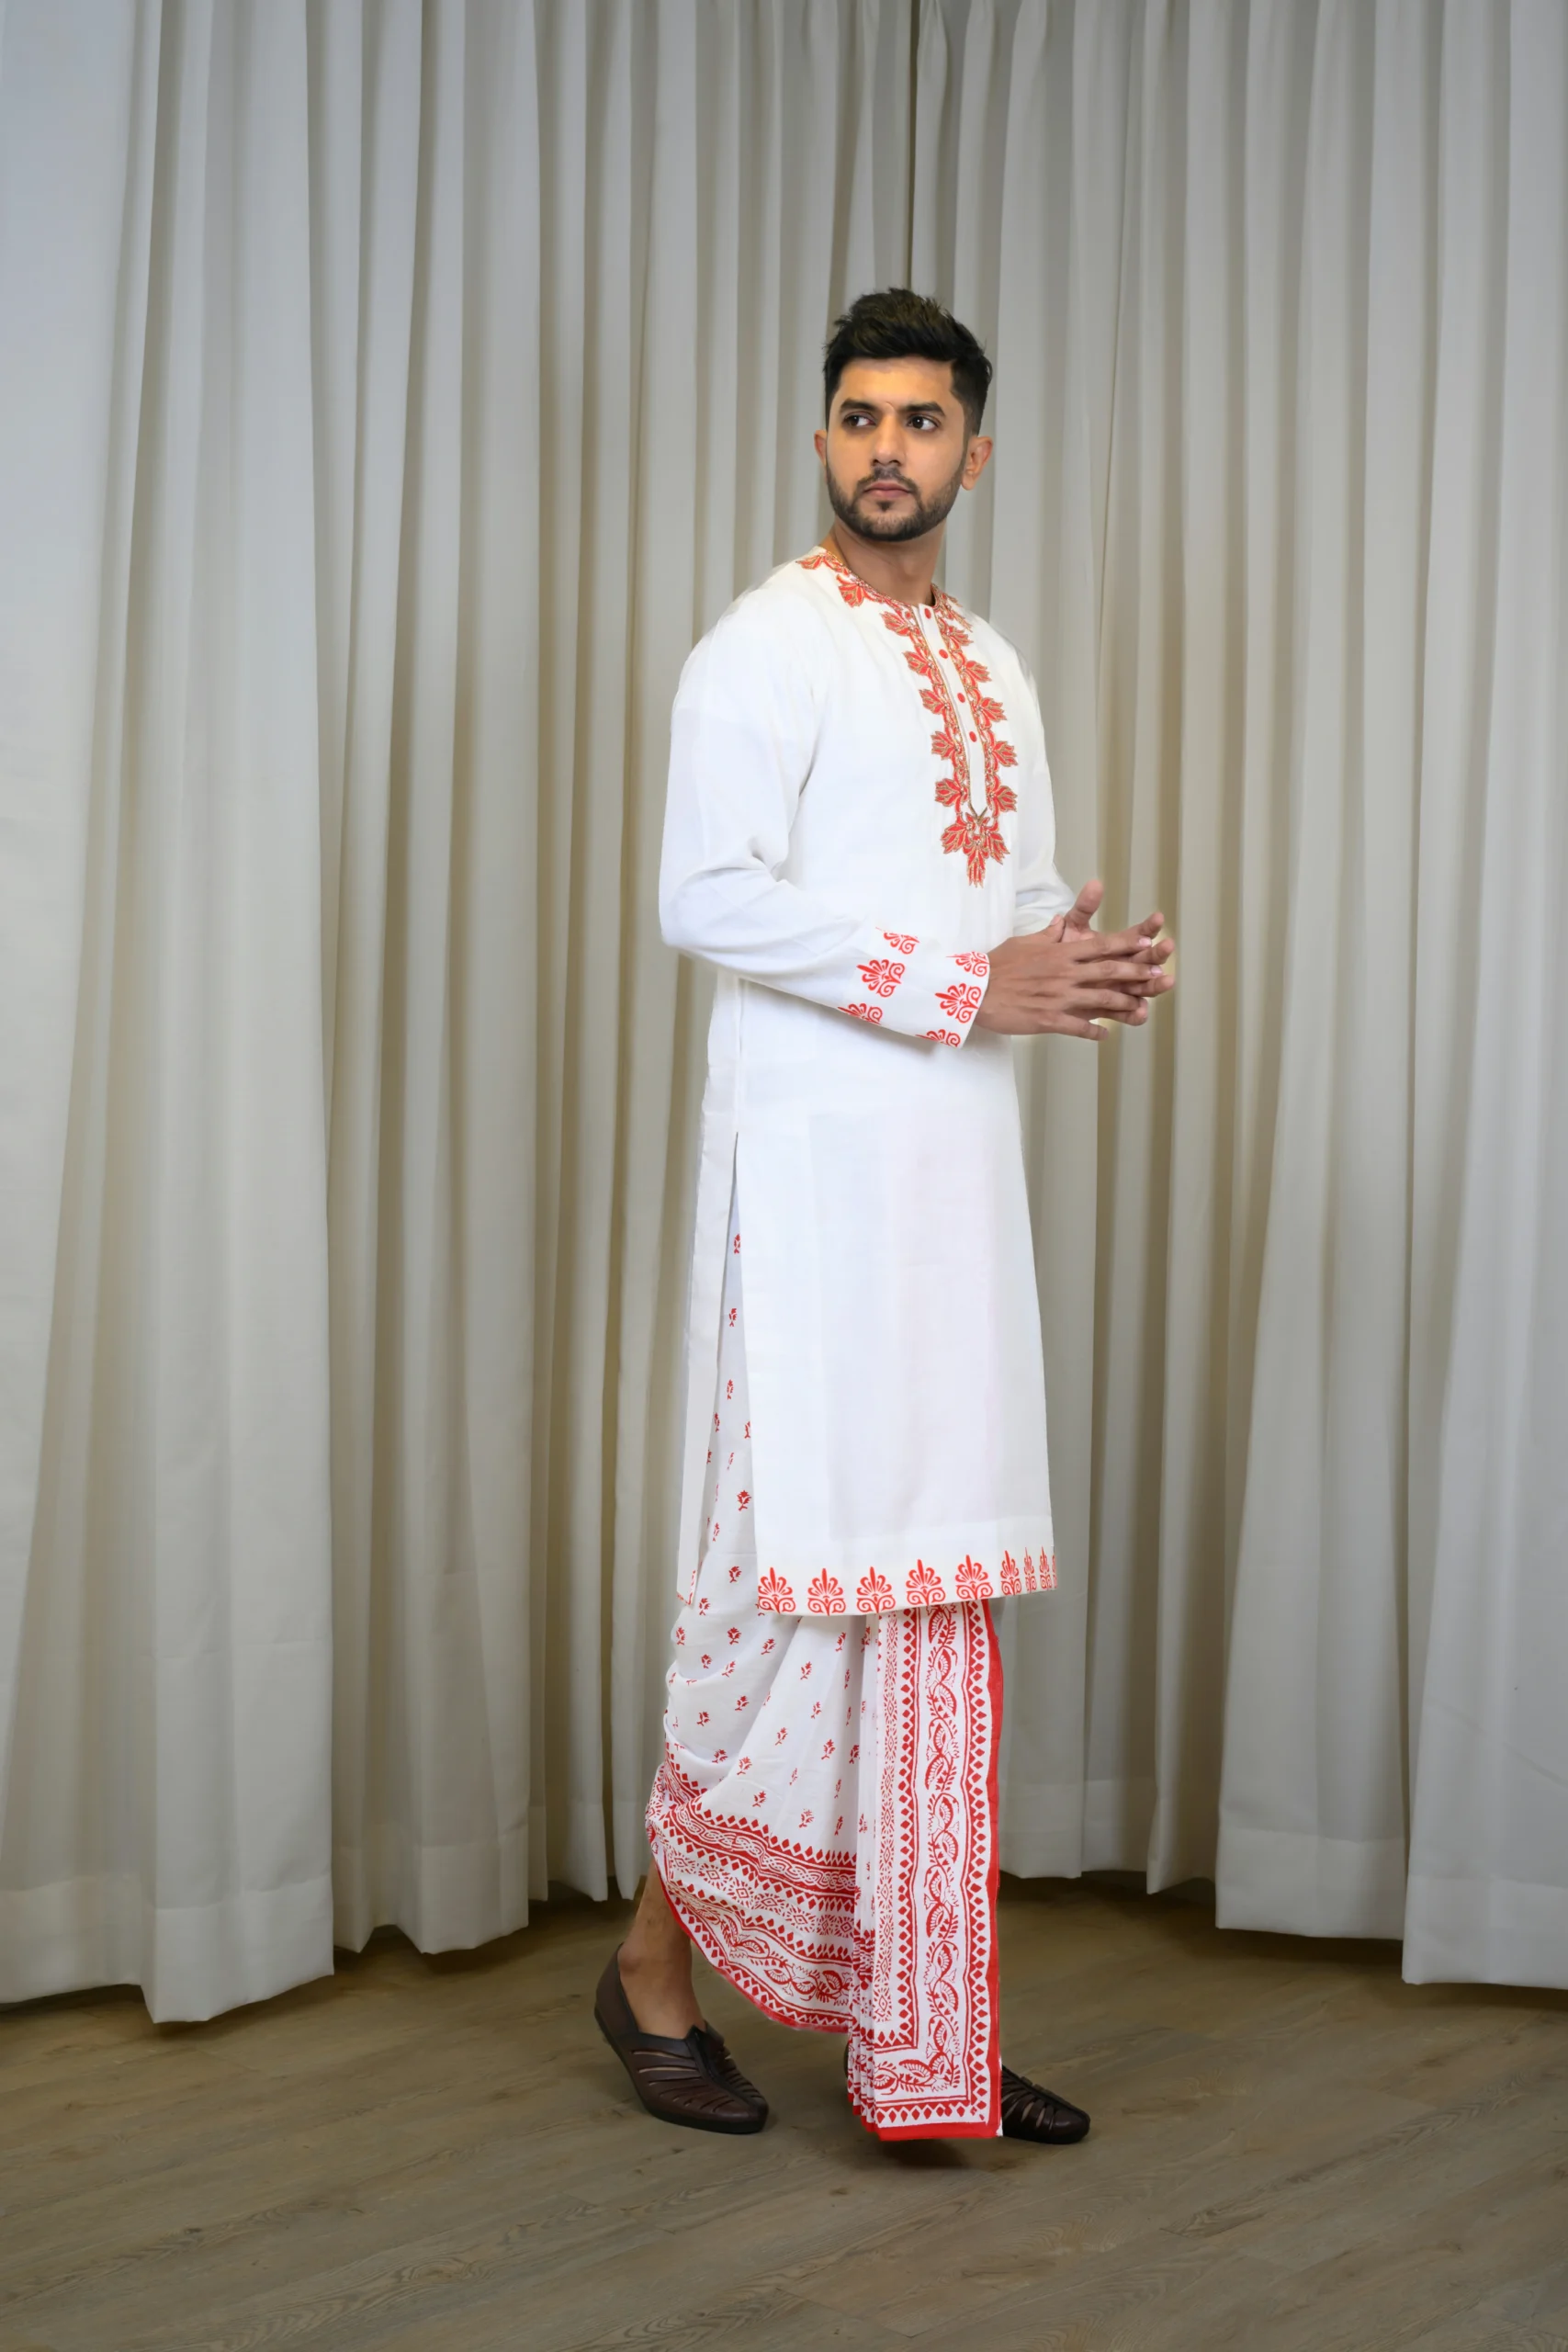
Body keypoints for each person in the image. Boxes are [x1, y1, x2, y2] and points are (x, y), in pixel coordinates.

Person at [594, 288, 1173, 2143]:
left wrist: (1078, 958)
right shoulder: (763, 646)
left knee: (933, 1587)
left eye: (920, 421)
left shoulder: (991, 662)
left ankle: (927, 2023)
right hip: (807, 1192)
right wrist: (966, 981)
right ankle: (652, 1972)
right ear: (822, 439)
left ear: (972, 453)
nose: (885, 449)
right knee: (791, 1608)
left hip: (953, 1192)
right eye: (858, 417)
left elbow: (1009, 896)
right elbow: (702, 892)